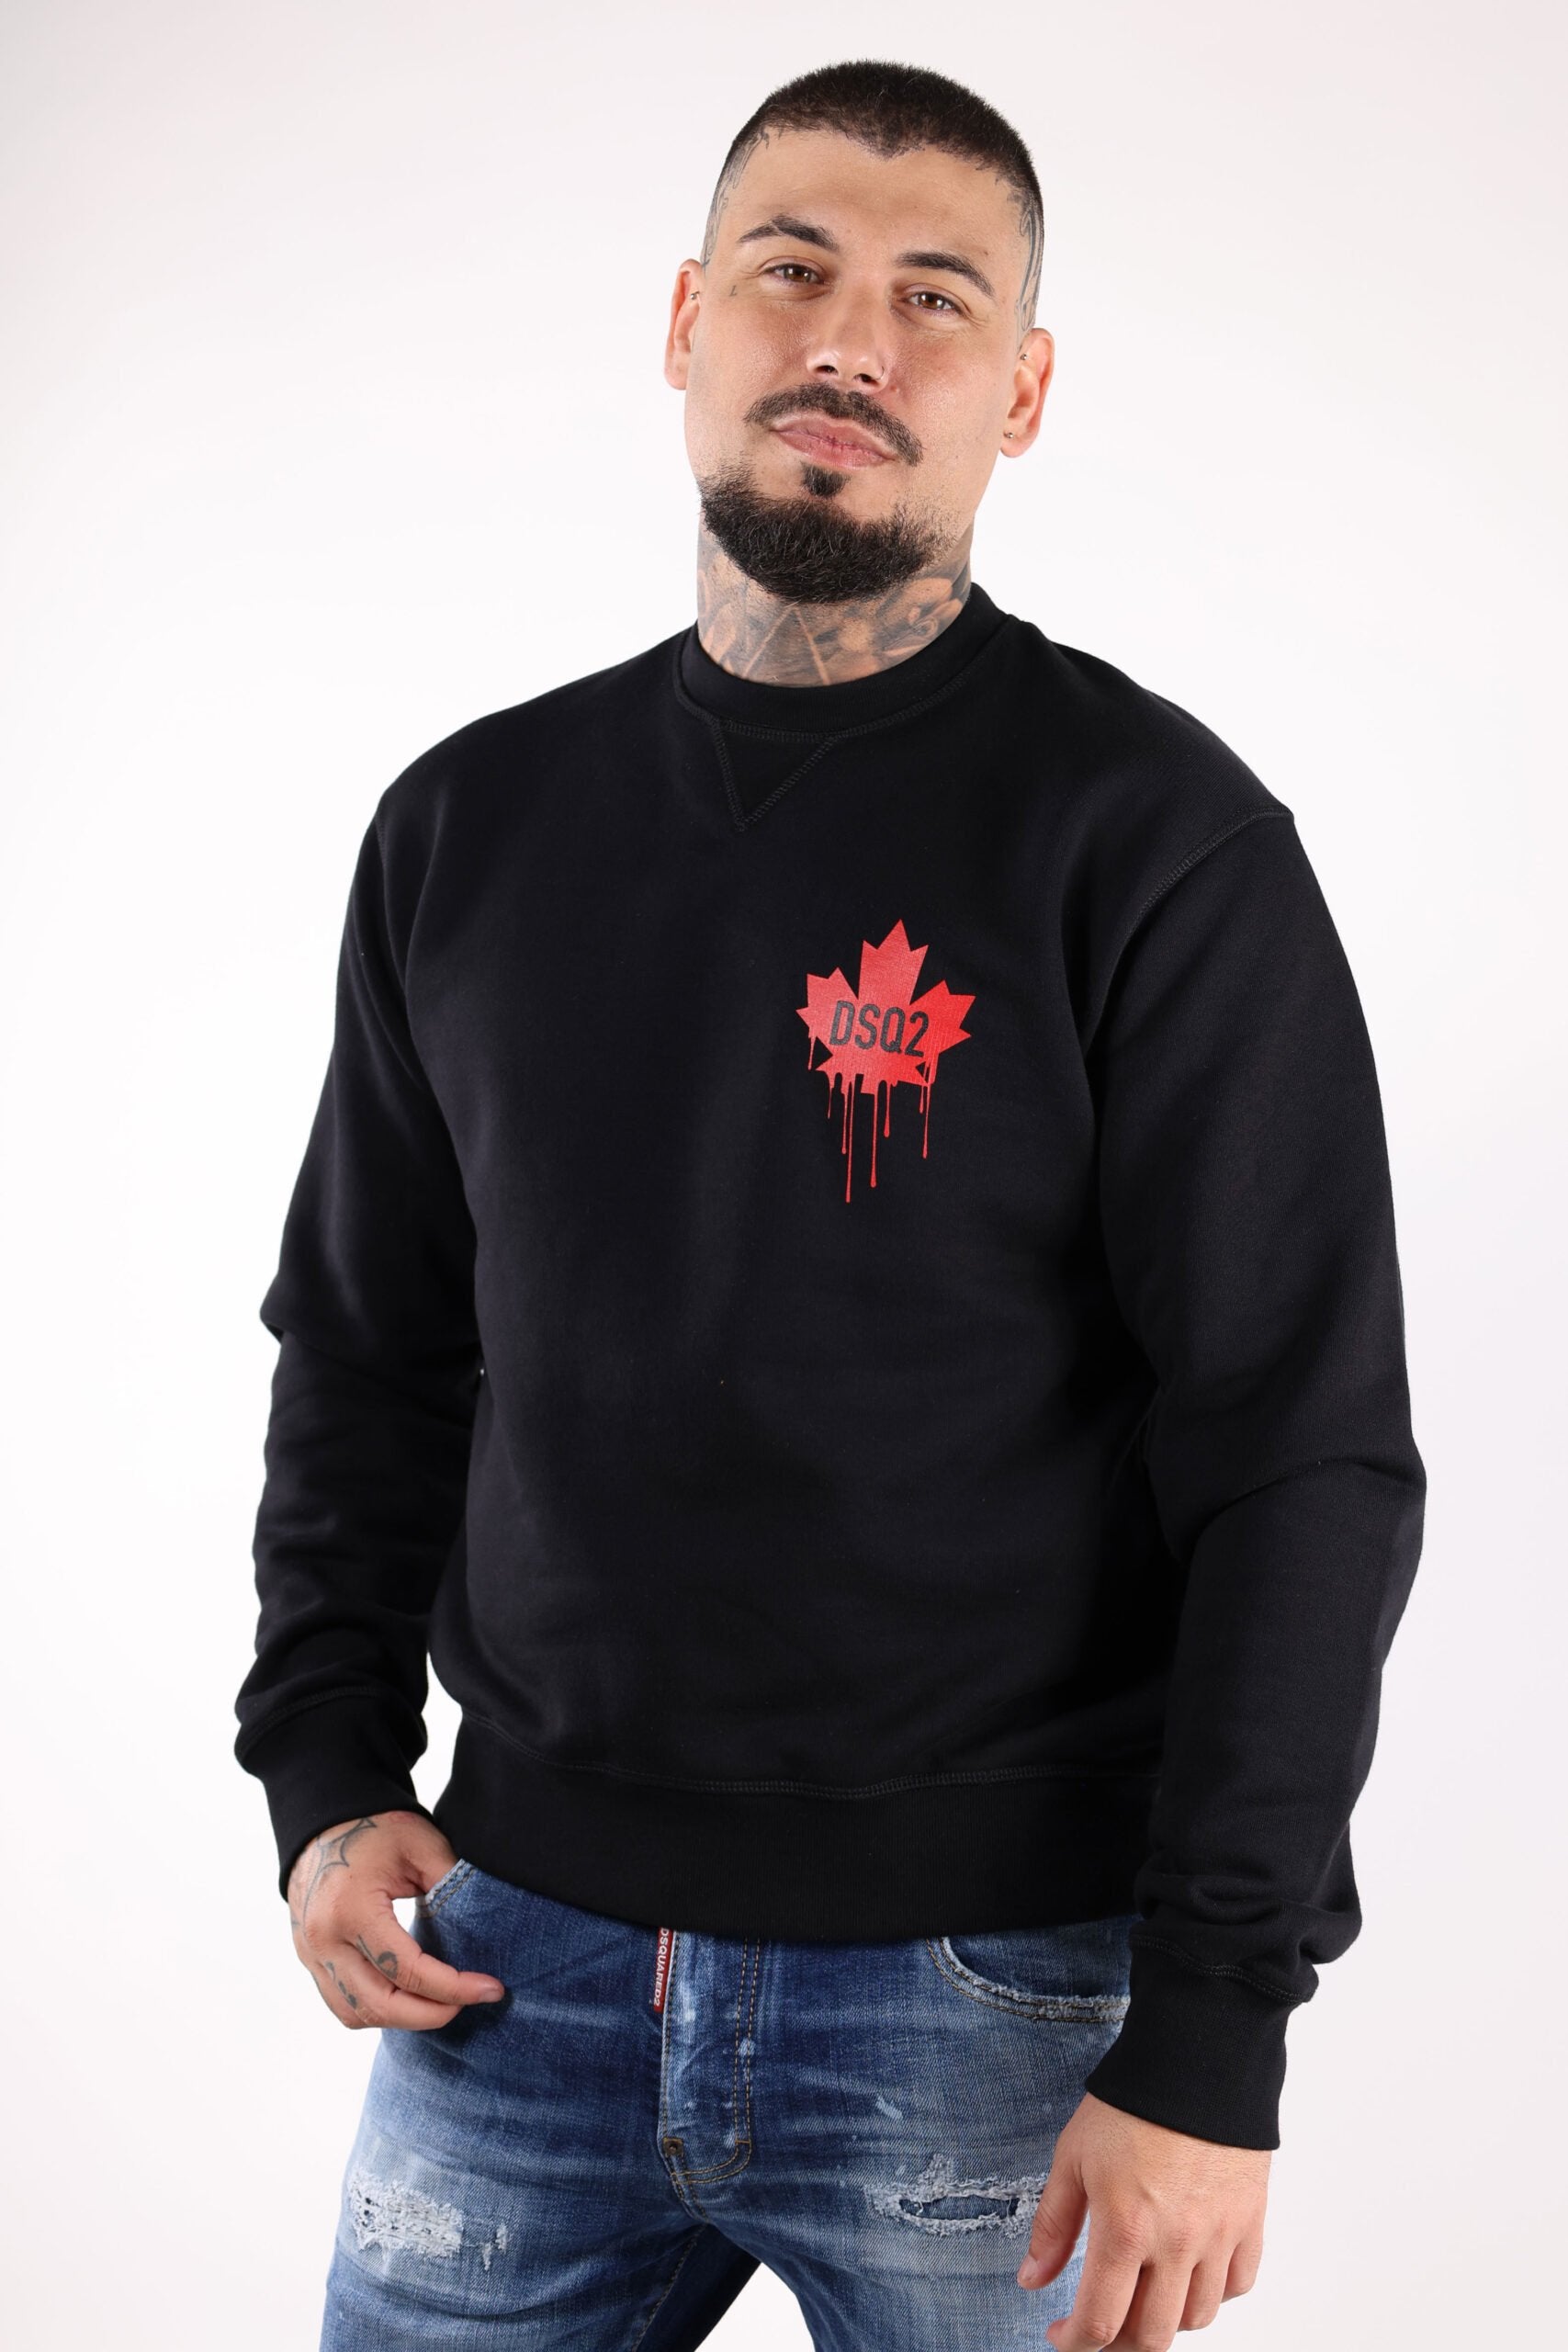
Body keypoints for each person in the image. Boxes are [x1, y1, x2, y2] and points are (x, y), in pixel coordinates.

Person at [234, 57, 1426, 2352]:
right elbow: (371, 1346)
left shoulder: (1152, 843)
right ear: (687, 321)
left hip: (993, 1997)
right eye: (789, 269)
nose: (850, 341)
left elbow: (1299, 1457)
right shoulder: (466, 826)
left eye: (932, 297)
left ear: (1022, 391)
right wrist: (326, 1770)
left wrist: (1213, 2028)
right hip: (512, 1963)